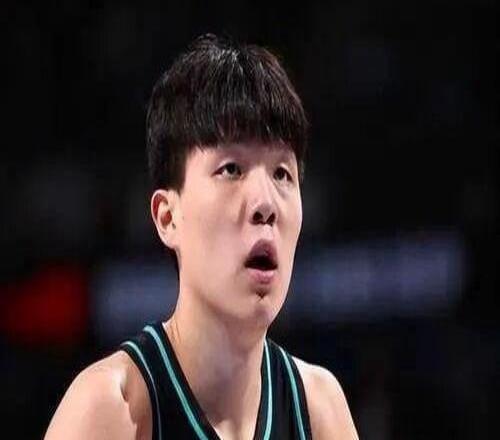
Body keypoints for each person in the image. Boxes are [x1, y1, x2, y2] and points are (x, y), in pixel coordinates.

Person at [45, 34, 359, 440]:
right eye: (231, 169)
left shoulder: (319, 409)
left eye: (282, 173)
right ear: (167, 217)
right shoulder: (112, 409)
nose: (265, 203)